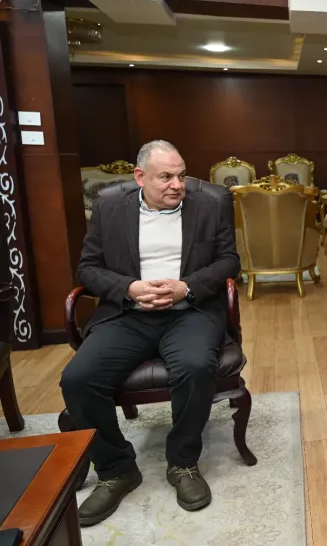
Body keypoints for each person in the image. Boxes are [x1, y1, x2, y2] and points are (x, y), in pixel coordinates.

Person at [60, 140, 240, 525]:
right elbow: (88, 268)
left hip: (189, 312)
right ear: (140, 177)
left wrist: (186, 286)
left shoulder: (209, 205)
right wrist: (128, 288)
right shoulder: (110, 207)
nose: (178, 185)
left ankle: (183, 463)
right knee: (78, 378)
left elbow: (229, 261)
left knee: (195, 366)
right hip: (127, 314)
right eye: (166, 177)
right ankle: (116, 469)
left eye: (181, 175)